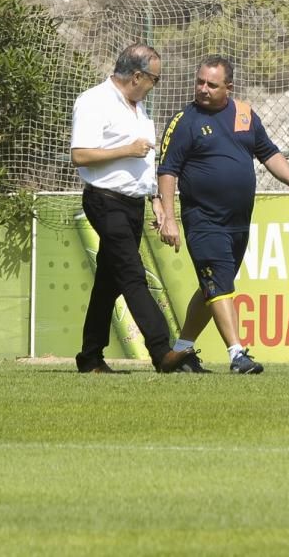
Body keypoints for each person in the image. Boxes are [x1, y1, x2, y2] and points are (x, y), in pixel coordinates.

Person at [157, 55, 289, 374]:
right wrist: (169, 217)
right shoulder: (184, 121)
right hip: (203, 220)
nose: (202, 89)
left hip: (238, 223)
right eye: (199, 81)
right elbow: (168, 170)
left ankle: (179, 353)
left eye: (211, 84)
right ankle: (237, 355)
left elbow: (268, 151)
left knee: (212, 288)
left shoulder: (244, 114)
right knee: (218, 284)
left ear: (228, 87)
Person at [70, 43, 194, 374]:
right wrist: (127, 149)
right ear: (137, 76)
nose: (155, 86)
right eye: (154, 79)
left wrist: (155, 200)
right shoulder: (93, 102)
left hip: (133, 204)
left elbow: (143, 163)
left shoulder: (138, 110)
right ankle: (161, 350)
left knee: (108, 282)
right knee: (132, 273)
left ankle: (90, 357)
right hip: (105, 200)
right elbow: (80, 154)